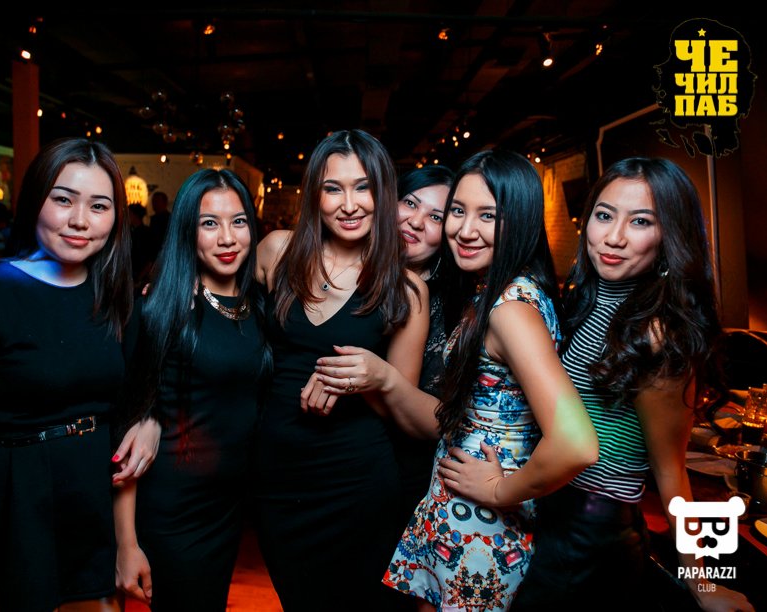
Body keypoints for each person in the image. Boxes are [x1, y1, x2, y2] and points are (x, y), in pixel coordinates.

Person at [312, 149, 599, 610]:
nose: (465, 230)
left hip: (481, 520)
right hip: (458, 506)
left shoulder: (510, 309)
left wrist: (500, 489)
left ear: (521, 221)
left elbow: (577, 443)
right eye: (459, 212)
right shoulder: (496, 291)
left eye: (488, 216)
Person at [509, 158, 754, 612]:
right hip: (547, 512)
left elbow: (670, 471)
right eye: (604, 215)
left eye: (640, 221)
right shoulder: (583, 303)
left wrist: (701, 583)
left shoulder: (657, 335)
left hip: (590, 534)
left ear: (669, 236)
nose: (614, 237)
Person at [0, 137, 160, 612]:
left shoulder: (115, 299)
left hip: (90, 500)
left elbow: (127, 407)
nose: (80, 220)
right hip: (13, 503)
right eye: (63, 199)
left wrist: (148, 422)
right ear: (34, 200)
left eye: (99, 206)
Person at [252, 129, 430, 611]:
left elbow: (411, 419)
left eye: (363, 187)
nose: (349, 205)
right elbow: (221, 309)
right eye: (333, 189)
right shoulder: (276, 251)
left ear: (383, 193)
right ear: (315, 194)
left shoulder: (406, 289)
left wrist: (375, 376)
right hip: (278, 482)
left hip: (356, 486)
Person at [114, 169, 270, 610]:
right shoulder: (162, 308)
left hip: (229, 507)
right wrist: (126, 543)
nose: (227, 238)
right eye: (209, 223)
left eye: (238, 222)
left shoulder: (261, 305)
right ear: (187, 229)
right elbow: (127, 436)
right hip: (175, 507)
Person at [392, 165, 457, 516]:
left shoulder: (452, 305)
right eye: (410, 203)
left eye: (435, 217)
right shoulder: (344, 273)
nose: (415, 221)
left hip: (409, 474)